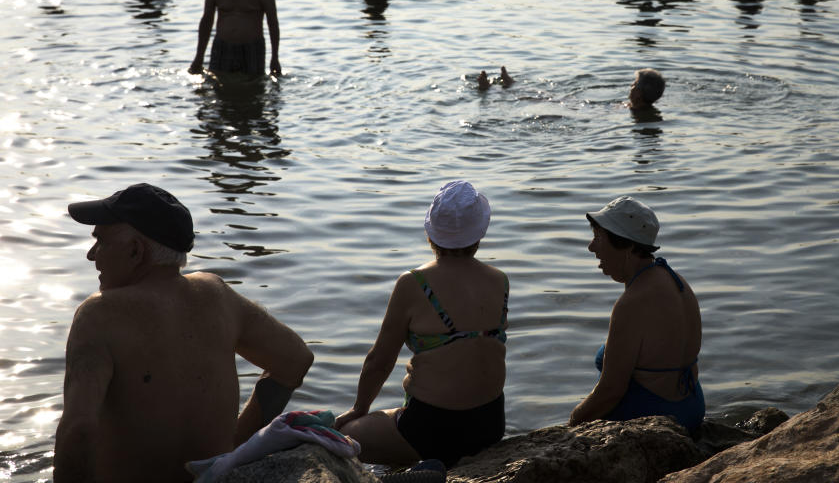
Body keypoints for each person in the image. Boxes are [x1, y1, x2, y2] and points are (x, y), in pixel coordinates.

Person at [53, 183, 314, 482]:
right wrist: (234, 450)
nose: (91, 255)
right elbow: (295, 360)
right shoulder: (217, 294)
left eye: (100, 241)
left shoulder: (97, 315)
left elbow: (79, 428)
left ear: (136, 250)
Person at [334, 181, 509, 468]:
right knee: (396, 418)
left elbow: (380, 360)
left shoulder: (413, 283)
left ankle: (414, 469)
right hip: (489, 425)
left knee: (343, 437)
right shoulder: (500, 280)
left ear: (431, 233)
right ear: (480, 233)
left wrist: (358, 408)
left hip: (430, 429)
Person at [570, 196, 704, 433]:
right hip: (691, 406)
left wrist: (572, 424)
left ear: (629, 246)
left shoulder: (632, 304)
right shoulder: (675, 280)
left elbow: (610, 392)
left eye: (598, 237)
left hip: (655, 416)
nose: (591, 247)